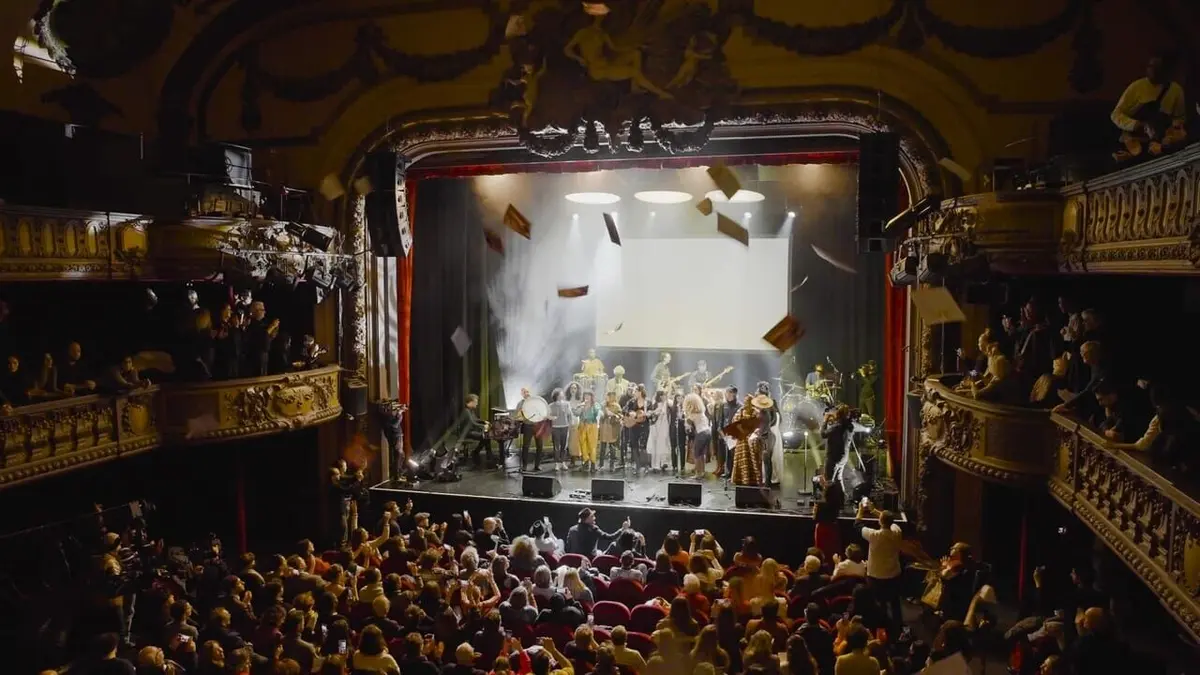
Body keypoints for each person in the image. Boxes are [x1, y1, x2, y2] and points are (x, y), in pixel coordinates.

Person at [1111, 50, 1188, 162]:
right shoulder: (1137, 87)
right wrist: (1137, 125)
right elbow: (1115, 115)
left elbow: (1179, 118)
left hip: (1160, 141)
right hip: (1135, 140)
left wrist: (1172, 130)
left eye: (1158, 67)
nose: (1153, 70)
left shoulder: (1176, 90)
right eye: (1151, 66)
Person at [856, 501, 903, 634]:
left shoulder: (874, 535)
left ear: (880, 521)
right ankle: (898, 629)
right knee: (895, 603)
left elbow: (858, 525)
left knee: (879, 604)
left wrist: (861, 510)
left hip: (876, 576)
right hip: (893, 574)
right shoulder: (896, 531)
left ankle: (882, 629)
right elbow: (889, 520)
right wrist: (874, 510)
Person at [458, 394, 495, 469]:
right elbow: (472, 423)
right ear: (470, 402)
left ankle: (480, 453)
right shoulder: (466, 412)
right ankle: (485, 456)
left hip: (470, 431)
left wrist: (484, 421)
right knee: (485, 437)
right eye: (475, 402)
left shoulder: (470, 411)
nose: (477, 403)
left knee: (486, 437)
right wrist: (483, 426)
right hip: (466, 433)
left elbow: (475, 420)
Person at [516, 388, 547, 472]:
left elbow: (542, 412)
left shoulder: (536, 402)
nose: (527, 393)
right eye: (524, 392)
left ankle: (537, 465)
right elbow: (518, 416)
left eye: (528, 392)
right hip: (528, 426)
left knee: (540, 446)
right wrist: (521, 417)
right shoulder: (520, 404)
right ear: (522, 394)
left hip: (538, 426)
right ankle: (524, 466)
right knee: (526, 446)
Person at [684, 392, 712, 479]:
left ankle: (697, 473)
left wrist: (686, 417)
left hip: (701, 433)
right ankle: (702, 472)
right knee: (702, 453)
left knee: (696, 453)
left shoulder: (692, 414)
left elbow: (688, 425)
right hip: (708, 432)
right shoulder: (701, 412)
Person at [646, 390, 672, 471]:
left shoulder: (667, 404)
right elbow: (649, 414)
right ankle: (655, 464)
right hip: (656, 426)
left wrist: (666, 402)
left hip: (664, 426)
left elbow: (671, 407)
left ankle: (664, 462)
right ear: (660, 396)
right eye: (663, 395)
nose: (664, 397)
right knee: (656, 445)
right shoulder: (654, 405)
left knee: (664, 443)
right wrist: (654, 413)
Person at [575, 391, 601, 472]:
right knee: (583, 445)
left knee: (592, 446)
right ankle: (585, 463)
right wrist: (580, 406)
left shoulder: (595, 405)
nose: (586, 397)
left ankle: (593, 465)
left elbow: (598, 412)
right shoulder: (582, 405)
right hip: (582, 426)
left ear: (591, 397)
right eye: (585, 395)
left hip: (592, 426)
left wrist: (596, 410)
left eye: (588, 395)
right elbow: (575, 413)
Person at [549, 388, 574, 472]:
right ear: (556, 395)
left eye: (562, 394)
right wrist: (552, 417)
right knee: (557, 446)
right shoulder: (551, 405)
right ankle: (557, 463)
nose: (562, 395)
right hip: (555, 427)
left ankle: (563, 462)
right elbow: (547, 415)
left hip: (565, 426)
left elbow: (570, 415)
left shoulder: (567, 404)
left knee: (564, 446)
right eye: (560, 394)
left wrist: (571, 424)